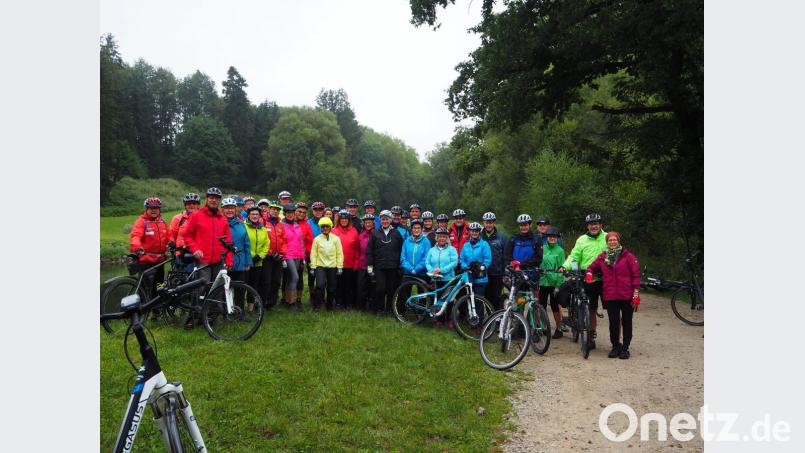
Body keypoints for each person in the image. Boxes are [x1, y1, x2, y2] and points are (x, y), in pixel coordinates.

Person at [182, 187, 234, 328]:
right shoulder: (197, 215)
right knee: (201, 289)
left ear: (219, 200)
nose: (213, 200)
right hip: (203, 260)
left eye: (216, 198)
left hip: (218, 260)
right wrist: (195, 249)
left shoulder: (222, 219)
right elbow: (186, 235)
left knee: (217, 290)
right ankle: (196, 317)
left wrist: (229, 260)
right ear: (206, 198)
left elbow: (228, 242)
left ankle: (213, 318)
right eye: (211, 197)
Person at [586, 231, 640, 359]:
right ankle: (615, 346)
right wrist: (589, 274)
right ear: (607, 242)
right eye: (610, 240)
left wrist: (636, 294)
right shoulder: (603, 257)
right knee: (613, 322)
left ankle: (625, 348)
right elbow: (591, 267)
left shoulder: (628, 256)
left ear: (618, 241)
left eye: (614, 240)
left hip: (627, 295)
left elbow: (636, 275)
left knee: (627, 322)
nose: (612, 242)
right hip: (610, 295)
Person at [559, 213, 608, 350]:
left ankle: (616, 341)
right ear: (588, 226)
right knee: (591, 308)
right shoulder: (582, 240)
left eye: (596, 223)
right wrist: (565, 266)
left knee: (612, 309)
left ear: (600, 225)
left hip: (605, 278)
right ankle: (591, 336)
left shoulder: (608, 237)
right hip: (588, 278)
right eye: (591, 224)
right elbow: (574, 256)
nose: (594, 226)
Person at [129, 197, 169, 302]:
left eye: (156, 208)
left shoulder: (163, 222)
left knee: (159, 286)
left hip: (160, 261)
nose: (154, 210)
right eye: (151, 208)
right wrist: (137, 247)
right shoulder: (142, 222)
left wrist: (171, 244)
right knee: (145, 288)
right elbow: (135, 236)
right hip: (146, 261)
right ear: (146, 209)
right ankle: (141, 311)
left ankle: (157, 309)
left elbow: (169, 237)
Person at [366, 210, 404, 316]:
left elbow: (402, 250)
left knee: (391, 289)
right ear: (380, 221)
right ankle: (379, 309)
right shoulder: (375, 233)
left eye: (387, 219)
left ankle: (389, 309)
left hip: (393, 266)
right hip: (379, 266)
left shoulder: (396, 233)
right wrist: (370, 265)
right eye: (383, 219)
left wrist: (400, 264)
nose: (385, 221)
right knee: (380, 288)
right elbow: (369, 250)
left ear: (391, 220)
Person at [222, 197, 253, 319]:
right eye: (227, 208)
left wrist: (248, 261)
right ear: (223, 209)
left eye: (232, 208)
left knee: (240, 289)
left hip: (240, 261)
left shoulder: (241, 224)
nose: (229, 210)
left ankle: (239, 312)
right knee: (225, 289)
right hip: (225, 261)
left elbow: (247, 243)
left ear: (236, 209)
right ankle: (226, 312)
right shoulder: (220, 223)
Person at [425, 227, 459, 328]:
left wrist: (442, 270)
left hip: (448, 279)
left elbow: (454, 263)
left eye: (444, 237)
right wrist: (432, 271)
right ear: (436, 238)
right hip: (436, 278)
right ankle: (438, 319)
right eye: (440, 237)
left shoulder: (452, 249)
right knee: (437, 299)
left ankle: (449, 319)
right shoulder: (432, 250)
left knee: (449, 300)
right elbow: (427, 262)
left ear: (447, 238)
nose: (442, 239)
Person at [309, 217, 344, 311]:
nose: (325, 228)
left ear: (330, 227)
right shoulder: (317, 239)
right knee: (320, 285)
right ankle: (316, 306)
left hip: (332, 266)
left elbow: (339, 253)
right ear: (320, 227)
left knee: (332, 288)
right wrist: (313, 267)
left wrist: (340, 267)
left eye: (327, 226)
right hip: (320, 266)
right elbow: (313, 254)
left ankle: (329, 306)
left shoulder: (336, 239)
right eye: (323, 226)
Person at [539, 226, 566, 339]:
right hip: (543, 281)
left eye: (554, 237)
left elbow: (562, 268)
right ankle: (544, 327)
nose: (551, 238)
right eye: (550, 237)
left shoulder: (560, 251)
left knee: (555, 306)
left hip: (554, 282)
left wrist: (558, 285)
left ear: (557, 238)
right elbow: (539, 262)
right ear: (547, 238)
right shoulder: (542, 248)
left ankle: (559, 328)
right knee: (542, 305)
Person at [244, 206, 270, 314]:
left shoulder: (263, 229)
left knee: (253, 285)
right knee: (243, 285)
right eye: (252, 214)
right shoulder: (244, 227)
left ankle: (250, 309)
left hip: (258, 262)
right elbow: (243, 242)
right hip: (246, 261)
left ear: (260, 216)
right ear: (249, 215)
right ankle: (239, 308)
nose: (255, 216)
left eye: (257, 214)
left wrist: (260, 256)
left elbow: (267, 244)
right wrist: (253, 255)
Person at [332, 209, 359, 309]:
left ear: (349, 220)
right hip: (337, 263)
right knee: (338, 285)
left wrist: (356, 262)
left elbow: (357, 248)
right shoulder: (334, 231)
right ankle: (339, 303)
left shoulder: (354, 231)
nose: (344, 220)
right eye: (342, 219)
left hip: (350, 263)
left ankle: (348, 303)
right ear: (339, 220)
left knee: (349, 285)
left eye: (346, 219)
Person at [281, 203, 305, 311]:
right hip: (287, 255)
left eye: (292, 213)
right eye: (288, 213)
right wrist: (282, 257)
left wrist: (303, 257)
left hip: (298, 255)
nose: (290, 215)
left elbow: (301, 242)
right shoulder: (281, 225)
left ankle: (286, 301)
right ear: (285, 214)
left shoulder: (297, 225)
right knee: (295, 277)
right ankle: (291, 302)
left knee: (290, 278)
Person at [480, 212, 507, 311]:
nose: (488, 224)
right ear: (483, 223)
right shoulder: (480, 236)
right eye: (487, 222)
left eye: (490, 222)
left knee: (496, 298)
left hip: (497, 273)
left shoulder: (501, 237)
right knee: (486, 297)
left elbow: (506, 255)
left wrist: (505, 272)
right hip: (484, 273)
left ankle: (498, 319)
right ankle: (490, 319)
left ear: (494, 223)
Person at [263, 200, 286, 308]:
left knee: (276, 281)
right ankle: (263, 301)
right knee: (266, 281)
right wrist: (270, 253)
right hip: (267, 256)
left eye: (277, 209)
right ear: (269, 209)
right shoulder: (263, 222)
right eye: (273, 209)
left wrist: (282, 253)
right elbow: (262, 240)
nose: (275, 211)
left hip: (278, 257)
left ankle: (272, 302)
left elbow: (284, 240)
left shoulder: (281, 225)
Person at [460, 222, 492, 297]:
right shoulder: (466, 245)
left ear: (479, 232)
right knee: (468, 300)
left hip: (480, 277)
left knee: (478, 301)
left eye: (476, 231)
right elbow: (462, 259)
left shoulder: (484, 244)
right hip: (468, 276)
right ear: (469, 232)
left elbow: (487, 260)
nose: (474, 233)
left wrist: (479, 269)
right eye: (472, 231)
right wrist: (465, 267)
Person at [295, 202, 315, 307]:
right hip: (289, 255)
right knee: (287, 277)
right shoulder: (288, 222)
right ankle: (285, 299)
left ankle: (298, 300)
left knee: (299, 278)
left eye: (304, 212)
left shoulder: (306, 226)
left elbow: (310, 241)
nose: (301, 214)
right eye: (299, 211)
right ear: (295, 211)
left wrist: (306, 254)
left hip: (302, 255)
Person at [356, 214, 375, 311]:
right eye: (366, 222)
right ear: (363, 224)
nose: (368, 224)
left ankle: (372, 306)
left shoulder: (376, 234)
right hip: (362, 265)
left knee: (372, 286)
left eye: (370, 222)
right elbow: (358, 250)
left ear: (373, 223)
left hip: (373, 265)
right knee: (361, 286)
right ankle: (361, 306)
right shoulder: (361, 236)